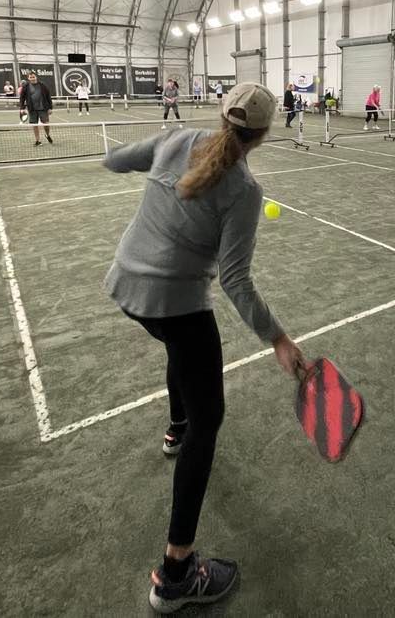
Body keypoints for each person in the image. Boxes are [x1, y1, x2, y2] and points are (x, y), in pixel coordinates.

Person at [102, 82, 308, 613]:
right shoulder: (244, 190)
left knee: (180, 353)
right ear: (263, 133)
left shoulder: (175, 139)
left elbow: (114, 160)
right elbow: (236, 281)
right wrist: (279, 339)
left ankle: (177, 427)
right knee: (209, 419)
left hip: (126, 288)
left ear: (222, 114)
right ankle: (176, 575)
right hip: (174, 302)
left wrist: (150, 163)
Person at [18, 71, 54, 146]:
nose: (32, 78)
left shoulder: (42, 85)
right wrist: (22, 108)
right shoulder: (26, 87)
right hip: (32, 109)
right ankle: (38, 140)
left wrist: (50, 108)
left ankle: (47, 135)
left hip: (43, 108)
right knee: (34, 125)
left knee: (46, 124)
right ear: (28, 78)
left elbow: (48, 96)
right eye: (30, 77)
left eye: (33, 77)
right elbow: (22, 98)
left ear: (36, 77)